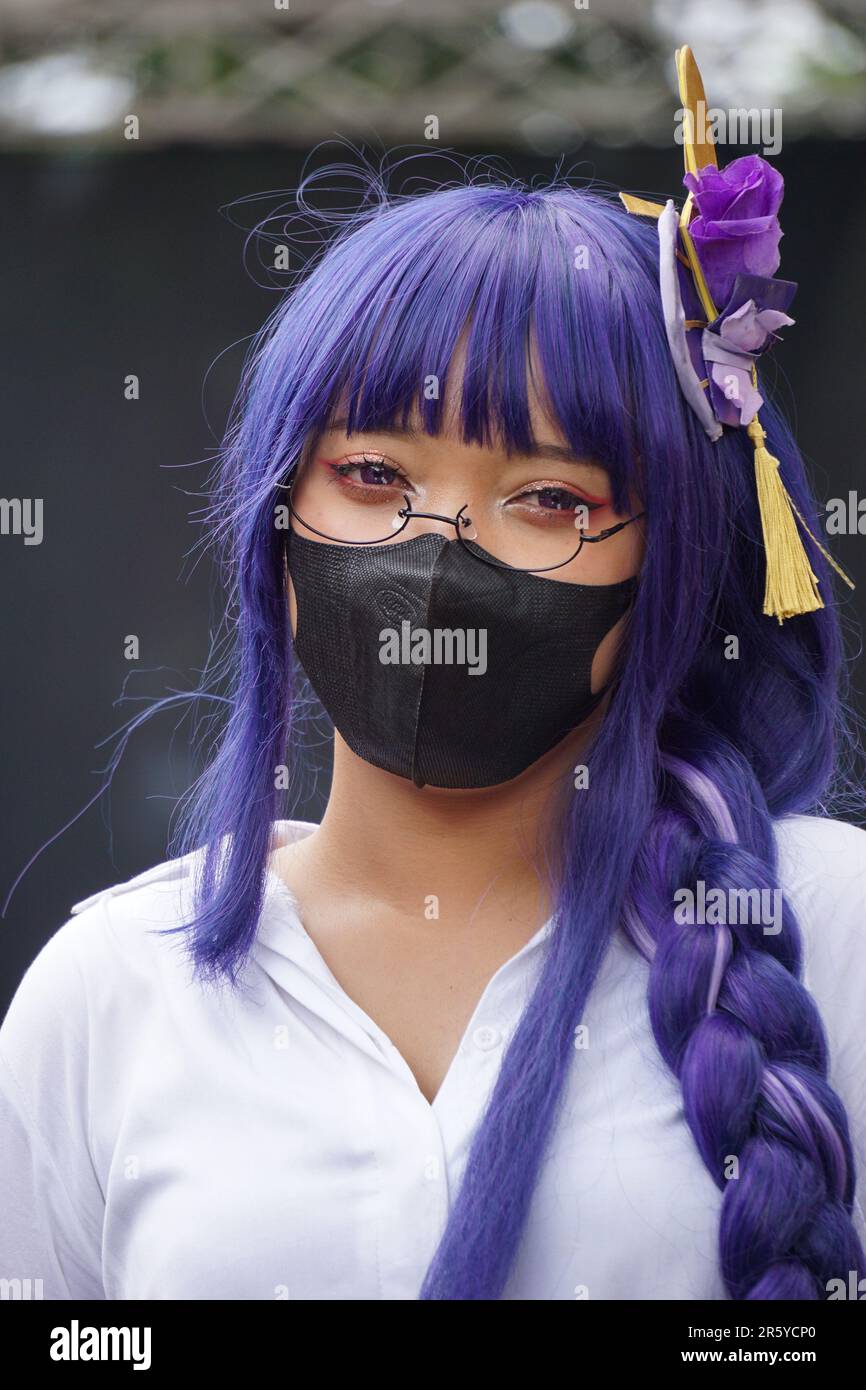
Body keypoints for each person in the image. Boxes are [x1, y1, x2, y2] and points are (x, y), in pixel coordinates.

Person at [1, 51, 865, 1302]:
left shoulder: (827, 930)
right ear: (274, 517)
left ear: (665, 566)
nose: (436, 551)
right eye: (372, 478)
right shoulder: (109, 989)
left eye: (549, 498)